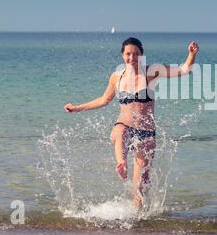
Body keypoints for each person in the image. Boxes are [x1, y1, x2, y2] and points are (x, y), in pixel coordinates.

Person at [64, 37, 199, 208]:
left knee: (140, 187)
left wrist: (191, 54)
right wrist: (77, 108)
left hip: (146, 133)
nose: (132, 57)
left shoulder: (151, 73)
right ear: (122, 55)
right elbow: (104, 99)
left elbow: (184, 70)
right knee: (119, 132)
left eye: (136, 54)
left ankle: (138, 220)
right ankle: (121, 162)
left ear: (141, 55)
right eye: (128, 53)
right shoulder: (116, 77)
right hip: (124, 126)